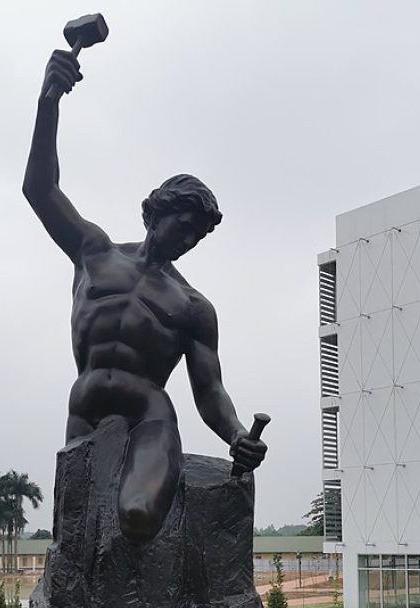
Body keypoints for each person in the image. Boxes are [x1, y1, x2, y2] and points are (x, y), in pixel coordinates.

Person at [23, 48, 268, 543]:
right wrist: (49, 101)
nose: (191, 238)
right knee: (77, 538)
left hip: (149, 417)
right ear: (158, 210)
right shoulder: (94, 252)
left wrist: (238, 435)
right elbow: (40, 189)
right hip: (84, 409)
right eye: (187, 224)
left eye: (199, 235)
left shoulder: (192, 306)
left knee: (136, 517)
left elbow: (210, 392)